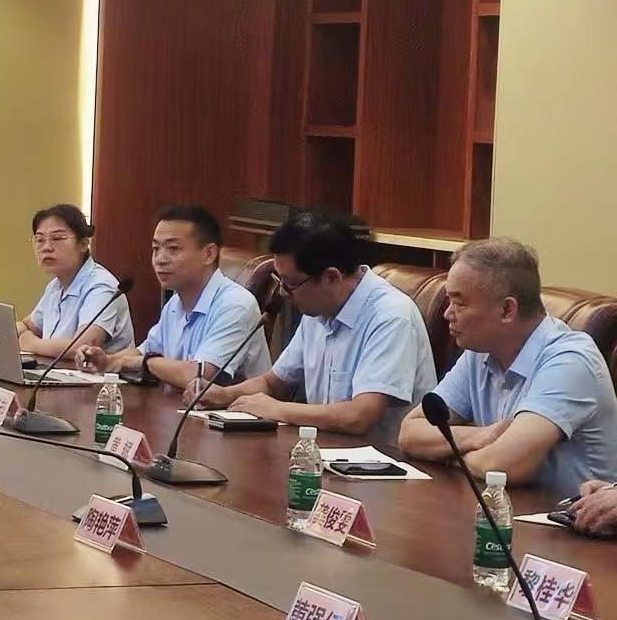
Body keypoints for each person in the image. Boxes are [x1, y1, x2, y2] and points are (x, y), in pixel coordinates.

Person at [398, 238, 617, 496]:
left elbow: (501, 465)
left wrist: (451, 455)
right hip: (501, 507)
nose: (448, 314)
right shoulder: (479, 352)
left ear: (506, 310)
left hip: (571, 517)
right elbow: (409, 433)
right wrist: (479, 437)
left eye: (460, 303)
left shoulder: (570, 360)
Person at [194, 211, 436, 439]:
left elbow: (360, 416)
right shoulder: (318, 309)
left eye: (290, 283)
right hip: (326, 452)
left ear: (331, 277)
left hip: (382, 464)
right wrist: (223, 394)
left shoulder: (391, 316)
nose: (282, 292)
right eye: (279, 280)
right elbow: (273, 383)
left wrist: (278, 409)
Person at [76, 205, 271, 386]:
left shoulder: (235, 305)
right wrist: (107, 361)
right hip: (177, 406)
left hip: (230, 411)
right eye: (156, 248)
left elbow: (198, 377)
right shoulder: (175, 303)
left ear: (208, 254)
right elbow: (145, 352)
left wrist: (142, 362)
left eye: (173, 249)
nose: (160, 259)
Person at [18, 204, 133, 361]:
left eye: (57, 238)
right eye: (40, 240)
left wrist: (31, 343)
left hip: (98, 376)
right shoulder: (55, 286)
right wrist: (1, 333)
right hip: (58, 372)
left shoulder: (101, 286)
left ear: (83, 244)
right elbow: (28, 326)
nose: (46, 247)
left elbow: (82, 348)